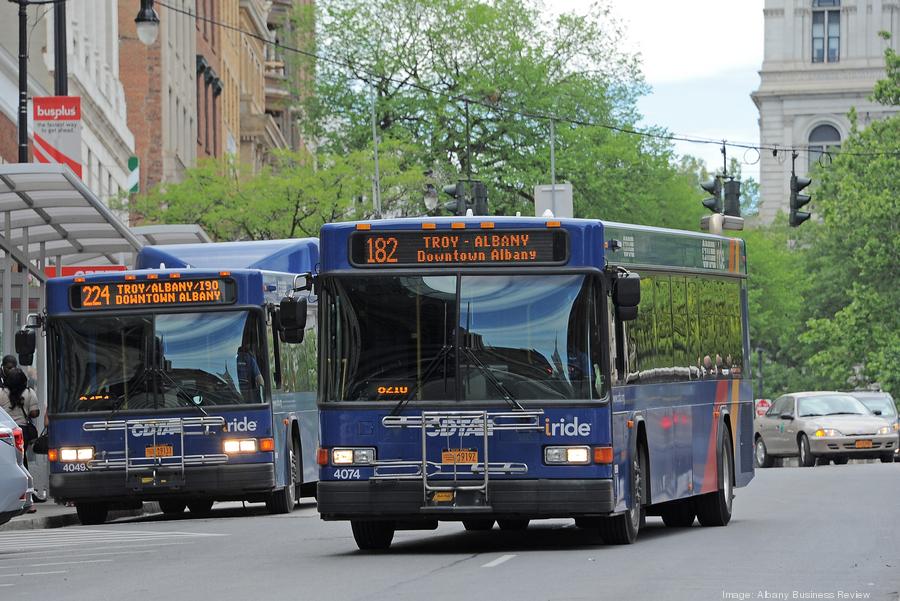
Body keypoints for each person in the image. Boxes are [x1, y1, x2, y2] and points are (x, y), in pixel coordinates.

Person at [0, 368, 40, 513]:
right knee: (22, 464)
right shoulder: (29, 393)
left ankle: (21, 498)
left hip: (8, 432)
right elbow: (35, 413)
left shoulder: (1, 393)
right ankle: (28, 499)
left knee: (14, 465)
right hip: (23, 432)